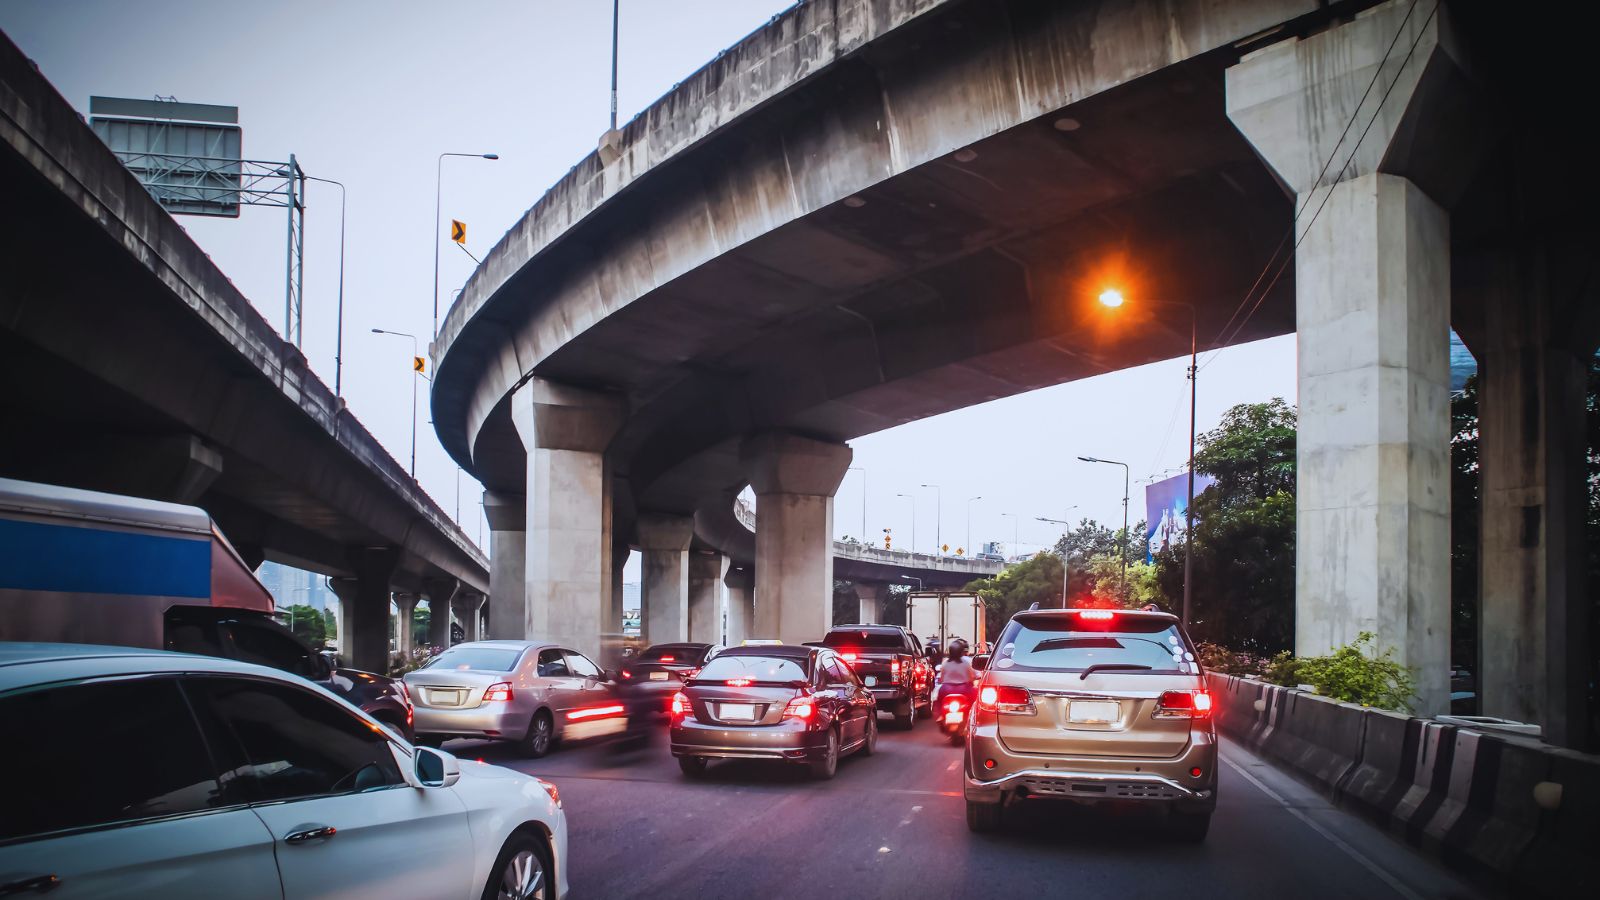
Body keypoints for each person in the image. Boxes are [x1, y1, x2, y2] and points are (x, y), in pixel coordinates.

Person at [933, 641, 977, 708]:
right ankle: (972, 713)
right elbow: (971, 678)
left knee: (938, 700)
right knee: (975, 696)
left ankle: (940, 715)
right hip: (964, 690)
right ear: (961, 652)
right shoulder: (965, 663)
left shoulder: (945, 663)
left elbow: (941, 679)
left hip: (946, 690)